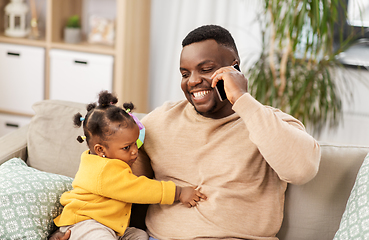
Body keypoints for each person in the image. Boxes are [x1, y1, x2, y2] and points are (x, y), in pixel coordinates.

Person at [51, 25, 321, 240]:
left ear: (235, 67)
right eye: (185, 73)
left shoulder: (267, 122)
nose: (192, 81)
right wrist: (73, 229)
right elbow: (109, 181)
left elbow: (302, 170)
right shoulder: (161, 120)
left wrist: (242, 99)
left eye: (206, 69)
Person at [52, 91, 207, 240]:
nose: (135, 152)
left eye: (136, 143)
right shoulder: (103, 170)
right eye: (127, 147)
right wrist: (178, 192)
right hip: (86, 223)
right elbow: (138, 189)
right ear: (100, 150)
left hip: (111, 226)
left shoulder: (103, 161)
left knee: (140, 236)